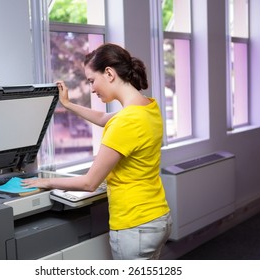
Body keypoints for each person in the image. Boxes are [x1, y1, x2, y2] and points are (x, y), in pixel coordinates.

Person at [22, 43, 172, 260]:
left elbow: (89, 183)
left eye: (92, 80)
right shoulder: (147, 107)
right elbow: (104, 119)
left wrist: (46, 182)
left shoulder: (125, 122)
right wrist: (68, 104)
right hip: (157, 217)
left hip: (134, 224)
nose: (92, 88)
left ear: (109, 73)